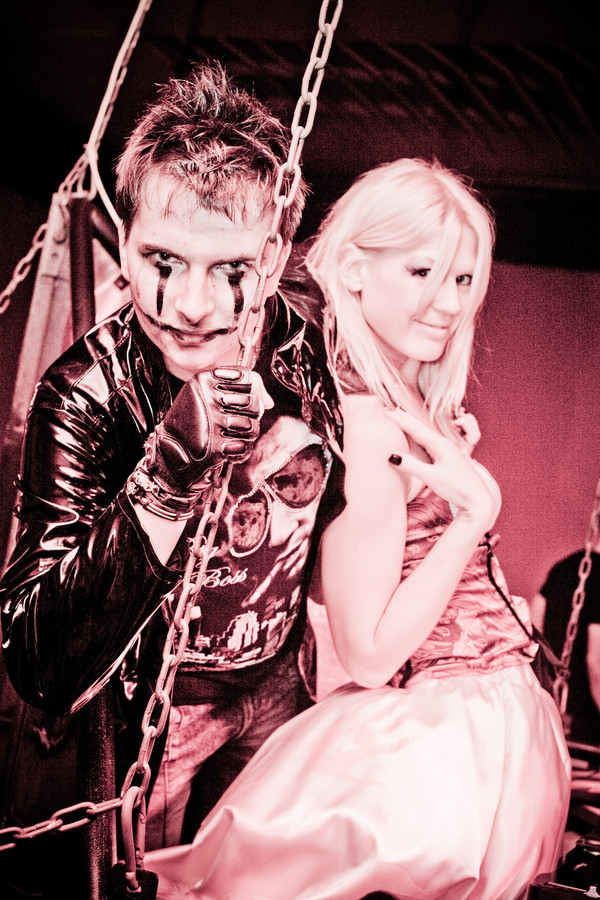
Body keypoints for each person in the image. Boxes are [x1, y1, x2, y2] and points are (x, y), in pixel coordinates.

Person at [144, 158, 571, 900]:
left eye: (463, 279)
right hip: (458, 733)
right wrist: (472, 518)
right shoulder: (370, 424)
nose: (448, 302)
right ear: (352, 269)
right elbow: (370, 654)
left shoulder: (407, 405)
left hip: (494, 725)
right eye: (422, 272)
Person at [0, 61, 343, 850]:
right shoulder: (85, 395)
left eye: (231, 270)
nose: (191, 306)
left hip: (279, 680)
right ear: (124, 244)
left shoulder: (311, 343)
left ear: (274, 256)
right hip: (158, 708)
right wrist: (164, 476)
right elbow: (36, 661)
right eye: (163, 261)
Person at [530, 522, 600, 746]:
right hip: (589, 717)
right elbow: (596, 662)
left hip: (558, 707)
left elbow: (533, 628)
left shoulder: (562, 568)